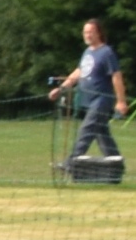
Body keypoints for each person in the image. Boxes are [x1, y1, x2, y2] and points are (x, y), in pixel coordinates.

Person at [52, 19, 127, 165]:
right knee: (101, 133)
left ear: (98, 33)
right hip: (89, 100)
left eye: (90, 32)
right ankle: (116, 164)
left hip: (101, 100)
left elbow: (116, 77)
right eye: (85, 32)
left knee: (86, 129)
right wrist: (61, 89)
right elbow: (79, 72)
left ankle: (70, 163)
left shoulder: (106, 52)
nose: (87, 35)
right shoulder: (87, 52)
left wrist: (121, 101)